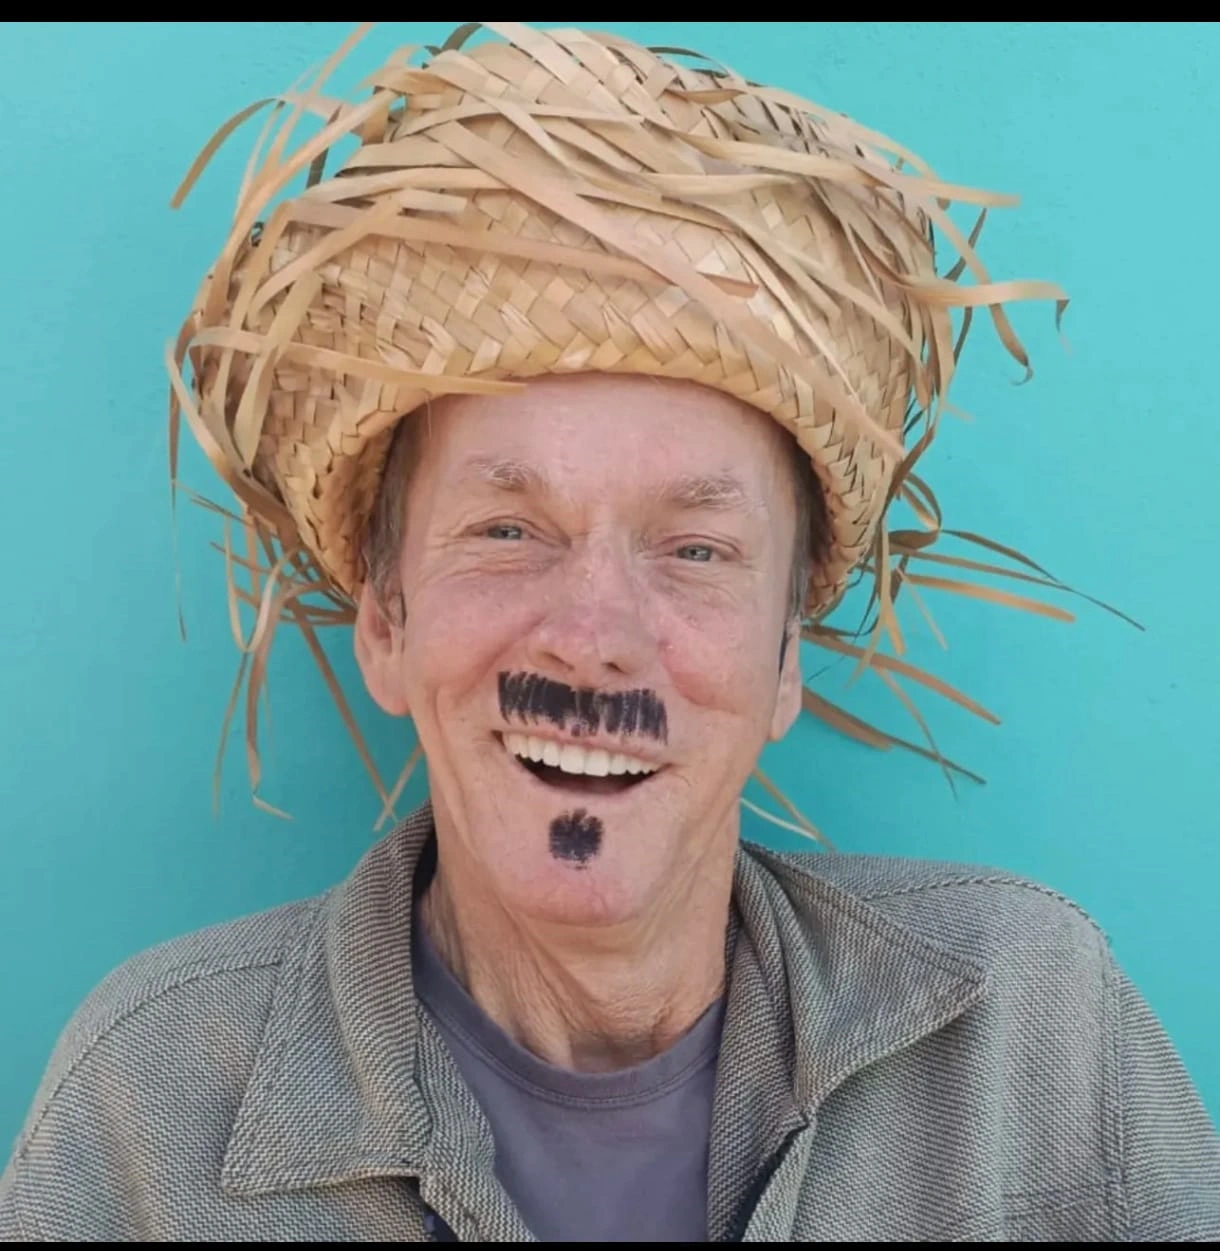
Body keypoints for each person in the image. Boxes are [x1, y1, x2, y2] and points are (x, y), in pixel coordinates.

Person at [2, 21, 1216, 1243]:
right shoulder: (147, 1106)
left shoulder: (1031, 1033)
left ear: (784, 660)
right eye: (506, 531)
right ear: (383, 619)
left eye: (694, 550)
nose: (591, 642)